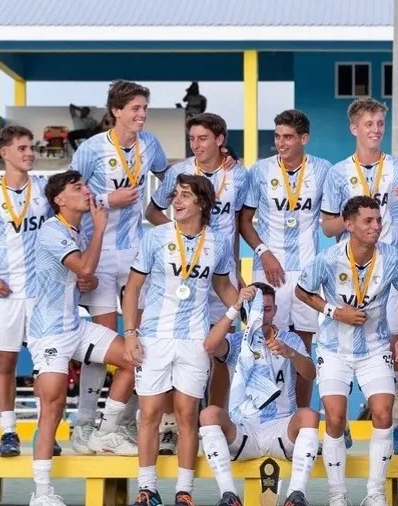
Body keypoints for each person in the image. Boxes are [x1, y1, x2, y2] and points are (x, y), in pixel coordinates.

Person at [320, 97, 398, 455]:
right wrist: (351, 215)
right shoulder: (338, 173)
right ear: (354, 128)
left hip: (391, 269)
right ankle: (340, 423)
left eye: (380, 124)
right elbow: (326, 227)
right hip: (348, 276)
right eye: (368, 124)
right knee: (344, 350)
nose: (375, 130)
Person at [122, 174, 239, 506]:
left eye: (185, 196)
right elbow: (132, 289)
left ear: (201, 203)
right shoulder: (155, 237)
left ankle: (183, 491)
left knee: (188, 414)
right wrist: (130, 333)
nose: (177, 200)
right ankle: (147, 488)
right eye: (176, 195)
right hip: (155, 337)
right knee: (150, 414)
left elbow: (223, 288)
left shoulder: (217, 243)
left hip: (194, 340)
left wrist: (245, 306)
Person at [69, 80, 169, 455]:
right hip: (98, 252)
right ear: (116, 111)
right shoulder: (92, 149)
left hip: (135, 252)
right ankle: (83, 426)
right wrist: (108, 199)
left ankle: (118, 426)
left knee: (136, 341)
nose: (141, 115)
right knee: (104, 344)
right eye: (135, 109)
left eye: (144, 108)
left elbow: (169, 175)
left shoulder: (151, 144)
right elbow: (68, 192)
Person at [28, 170, 139, 506]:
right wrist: (101, 228)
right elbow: (85, 268)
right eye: (78, 188)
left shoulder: (73, 230)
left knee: (135, 356)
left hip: (74, 325)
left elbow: (76, 274)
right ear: (60, 199)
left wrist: (80, 282)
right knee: (53, 405)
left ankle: (104, 431)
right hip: (48, 333)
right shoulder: (52, 230)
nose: (86, 192)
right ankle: (42, 492)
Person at [296, 196, 398, 506]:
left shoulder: (393, 258)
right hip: (334, 349)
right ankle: (338, 495)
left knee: (383, 414)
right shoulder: (328, 258)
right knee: (335, 418)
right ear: (349, 225)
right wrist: (335, 311)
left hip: (375, 349)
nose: (376, 226)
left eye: (378, 220)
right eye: (368, 221)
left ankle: (374, 494)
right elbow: (302, 290)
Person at [146, 113, 248, 447]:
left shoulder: (238, 174)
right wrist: (174, 237)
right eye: (192, 139)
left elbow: (236, 226)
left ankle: (214, 419)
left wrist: (236, 269)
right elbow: (152, 210)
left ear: (220, 140)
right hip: (181, 271)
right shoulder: (179, 172)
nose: (197, 145)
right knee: (176, 343)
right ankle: (171, 425)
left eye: (203, 138)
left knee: (219, 350)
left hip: (219, 272)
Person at [241, 109, 332, 414]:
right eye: (277, 136)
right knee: (266, 338)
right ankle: (264, 413)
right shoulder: (260, 170)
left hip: (307, 270)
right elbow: (245, 221)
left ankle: (302, 416)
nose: (281, 143)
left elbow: (333, 220)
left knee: (303, 345)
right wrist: (264, 252)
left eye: (288, 137)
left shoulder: (323, 169)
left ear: (303, 139)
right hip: (270, 269)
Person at [199, 283, 320, 506]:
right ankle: (229, 495)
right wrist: (234, 307)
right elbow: (209, 346)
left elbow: (310, 374)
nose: (262, 315)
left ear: (274, 310)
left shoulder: (290, 340)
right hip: (244, 429)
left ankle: (296, 495)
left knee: (309, 415)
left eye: (267, 309)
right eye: (257, 309)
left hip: (281, 428)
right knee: (209, 414)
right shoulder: (236, 342)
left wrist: (291, 353)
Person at [0, 126, 54, 457]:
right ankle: (8, 432)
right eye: (22, 148)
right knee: (6, 362)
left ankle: (45, 432)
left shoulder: (45, 192)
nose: (30, 153)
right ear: (4, 153)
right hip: (6, 292)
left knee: (47, 366)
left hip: (42, 293)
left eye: (31, 147)